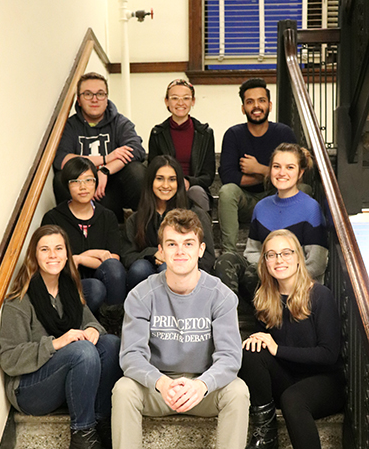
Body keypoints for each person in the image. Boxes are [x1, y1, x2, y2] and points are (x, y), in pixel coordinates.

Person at [89, 209, 250, 449]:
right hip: (159, 386)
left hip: (203, 388)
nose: (180, 251)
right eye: (172, 244)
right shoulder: (141, 295)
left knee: (238, 391)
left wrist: (202, 384)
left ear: (201, 249)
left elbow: (231, 357)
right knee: (123, 390)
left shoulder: (220, 295)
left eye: (188, 243)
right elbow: (131, 355)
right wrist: (160, 382)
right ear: (160, 251)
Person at [239, 229, 345, 449]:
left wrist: (277, 348)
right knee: (252, 350)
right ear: (265, 261)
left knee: (294, 399)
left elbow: (328, 354)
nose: (278, 259)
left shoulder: (319, 295)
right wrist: (265, 343)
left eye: (286, 253)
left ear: (298, 258)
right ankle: (266, 433)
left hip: (325, 382)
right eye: (271, 254)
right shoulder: (265, 297)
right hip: (290, 379)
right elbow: (268, 353)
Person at [0, 225, 122, 449]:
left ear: (67, 254)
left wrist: (93, 329)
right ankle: (82, 435)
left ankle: (100, 422)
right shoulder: (19, 299)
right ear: (34, 255)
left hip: (59, 377)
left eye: (58, 248)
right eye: (44, 249)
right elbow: (9, 360)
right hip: (28, 390)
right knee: (82, 352)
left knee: (110, 343)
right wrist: (57, 342)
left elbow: (90, 321)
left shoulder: (69, 288)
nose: (52, 255)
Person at [215, 143, 328, 298]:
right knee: (226, 260)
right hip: (263, 279)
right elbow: (251, 251)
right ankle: (229, 314)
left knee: (253, 275)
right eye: (276, 166)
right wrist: (270, 266)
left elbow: (317, 263)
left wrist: (282, 273)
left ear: (300, 172)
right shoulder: (261, 207)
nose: (282, 173)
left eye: (290, 167)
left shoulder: (311, 208)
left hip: (296, 287)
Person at [53, 72, 146, 221]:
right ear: (79, 100)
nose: (95, 99)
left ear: (107, 98)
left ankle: (140, 221)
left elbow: (136, 150)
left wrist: (105, 170)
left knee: (137, 171)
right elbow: (62, 159)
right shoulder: (70, 126)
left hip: (113, 184)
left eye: (100, 94)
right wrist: (105, 158)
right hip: (83, 186)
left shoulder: (120, 122)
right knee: (60, 178)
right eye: (88, 94)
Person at [218, 77, 297, 252]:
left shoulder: (283, 133)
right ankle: (229, 253)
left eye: (261, 101)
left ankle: (292, 250)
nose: (256, 106)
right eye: (250, 102)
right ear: (243, 108)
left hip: (277, 198)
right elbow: (228, 176)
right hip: (246, 201)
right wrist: (272, 176)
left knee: (303, 189)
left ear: (269, 105)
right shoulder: (233, 134)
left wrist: (259, 169)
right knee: (227, 191)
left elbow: (296, 174)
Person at [42, 157, 126, 315]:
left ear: (95, 183)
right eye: (76, 181)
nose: (83, 187)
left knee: (114, 269)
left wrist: (80, 258)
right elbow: (56, 262)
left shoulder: (107, 216)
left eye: (89, 180)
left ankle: (114, 323)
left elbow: (113, 260)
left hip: (103, 278)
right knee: (95, 288)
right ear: (67, 184)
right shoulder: (53, 218)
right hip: (68, 283)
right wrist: (96, 255)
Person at [121, 155, 215, 290]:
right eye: (159, 179)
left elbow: (208, 258)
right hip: (147, 272)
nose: (165, 185)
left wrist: (173, 258)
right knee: (139, 269)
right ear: (150, 182)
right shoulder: (136, 219)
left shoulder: (196, 214)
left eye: (172, 179)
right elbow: (127, 257)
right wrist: (154, 253)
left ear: (179, 183)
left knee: (167, 269)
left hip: (186, 276)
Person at [148, 79, 215, 212]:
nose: (180, 103)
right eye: (174, 98)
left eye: (186, 98)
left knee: (196, 192)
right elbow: (152, 170)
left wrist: (188, 182)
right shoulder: (158, 133)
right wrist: (172, 182)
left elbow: (208, 176)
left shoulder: (205, 133)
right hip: (166, 187)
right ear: (167, 102)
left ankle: (203, 233)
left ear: (193, 101)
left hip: (193, 189)